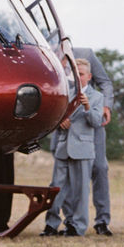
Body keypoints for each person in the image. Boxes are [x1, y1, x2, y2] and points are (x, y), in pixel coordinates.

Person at [41, 59, 104, 236]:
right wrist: (60, 120)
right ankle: (51, 224)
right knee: (56, 189)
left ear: (89, 77)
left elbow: (96, 122)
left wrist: (87, 107)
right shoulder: (65, 94)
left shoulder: (97, 97)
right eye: (75, 74)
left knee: (81, 191)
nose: (78, 77)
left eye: (81, 74)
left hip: (83, 150)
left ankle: (77, 227)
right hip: (63, 148)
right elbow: (53, 117)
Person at [71, 44, 114, 235]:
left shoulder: (85, 54)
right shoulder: (41, 52)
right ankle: (69, 222)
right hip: (67, 123)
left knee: (100, 167)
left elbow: (105, 82)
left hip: (91, 119)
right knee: (66, 174)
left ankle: (102, 220)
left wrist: (106, 106)